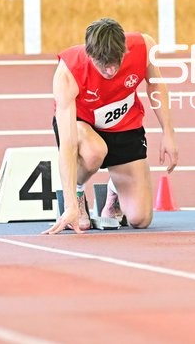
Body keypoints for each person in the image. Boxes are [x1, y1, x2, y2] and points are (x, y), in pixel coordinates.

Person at [43, 18, 178, 234]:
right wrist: (69, 204)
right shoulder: (68, 72)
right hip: (83, 126)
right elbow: (68, 145)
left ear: (124, 49)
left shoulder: (144, 46)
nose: (111, 70)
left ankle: (113, 191)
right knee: (95, 151)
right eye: (103, 64)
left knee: (140, 218)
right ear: (90, 55)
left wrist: (168, 133)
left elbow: (156, 84)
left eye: (116, 61)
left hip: (124, 125)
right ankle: (78, 195)